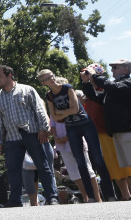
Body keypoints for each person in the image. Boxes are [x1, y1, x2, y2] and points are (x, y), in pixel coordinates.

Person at [37, 69, 115, 202]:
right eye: (48, 78)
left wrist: (61, 113)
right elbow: (54, 116)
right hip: (71, 127)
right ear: (43, 82)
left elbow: (76, 109)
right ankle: (90, 197)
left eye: (52, 75)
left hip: (85, 123)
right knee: (80, 162)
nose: (52, 79)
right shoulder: (49, 96)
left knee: (98, 158)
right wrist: (65, 113)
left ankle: (110, 195)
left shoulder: (67, 88)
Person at [0, 64, 59, 207]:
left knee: (43, 166)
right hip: (12, 138)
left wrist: (43, 129)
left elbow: (39, 110)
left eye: (0, 76)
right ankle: (15, 200)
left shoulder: (27, 90)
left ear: (10, 75)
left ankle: (52, 197)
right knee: (13, 170)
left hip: (32, 133)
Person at [81, 60, 131, 177]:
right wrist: (86, 83)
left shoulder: (128, 83)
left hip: (129, 130)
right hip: (118, 131)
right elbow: (95, 97)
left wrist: (95, 76)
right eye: (112, 67)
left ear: (125, 69)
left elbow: (111, 86)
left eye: (115, 67)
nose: (112, 70)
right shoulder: (113, 87)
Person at [82, 87, 131, 200]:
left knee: (127, 164)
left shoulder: (107, 90)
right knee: (113, 166)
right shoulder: (88, 96)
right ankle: (125, 195)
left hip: (113, 132)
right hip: (99, 134)